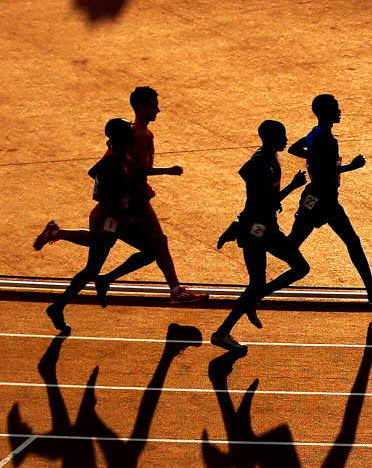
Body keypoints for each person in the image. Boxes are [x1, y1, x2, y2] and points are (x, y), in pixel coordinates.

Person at [35, 119, 161, 333]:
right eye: (128, 133)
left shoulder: (119, 154)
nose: (133, 135)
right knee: (106, 249)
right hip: (110, 216)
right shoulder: (113, 161)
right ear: (120, 138)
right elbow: (104, 183)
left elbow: (93, 172)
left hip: (118, 216)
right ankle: (56, 233)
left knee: (103, 264)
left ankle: (73, 296)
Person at [277, 94, 372, 305]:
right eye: (335, 108)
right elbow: (321, 168)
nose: (340, 111)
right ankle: (259, 278)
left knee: (301, 243)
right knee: (297, 244)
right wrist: (351, 166)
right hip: (322, 199)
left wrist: (314, 158)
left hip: (319, 198)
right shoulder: (323, 137)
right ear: (326, 112)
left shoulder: (316, 133)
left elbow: (295, 149)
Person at [88, 87, 205, 303]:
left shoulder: (130, 131)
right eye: (153, 105)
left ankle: (174, 288)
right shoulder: (141, 134)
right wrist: (168, 170)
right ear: (140, 107)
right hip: (137, 195)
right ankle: (175, 290)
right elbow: (139, 169)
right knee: (152, 242)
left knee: (149, 242)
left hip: (132, 195)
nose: (157, 110)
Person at [210, 121, 311, 353]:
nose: (286, 140)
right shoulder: (259, 162)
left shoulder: (270, 158)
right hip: (259, 230)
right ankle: (252, 301)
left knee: (257, 284)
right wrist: (293, 187)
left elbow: (264, 198)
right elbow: (263, 201)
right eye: (282, 136)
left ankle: (223, 331)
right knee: (300, 267)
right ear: (270, 138)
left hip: (261, 226)